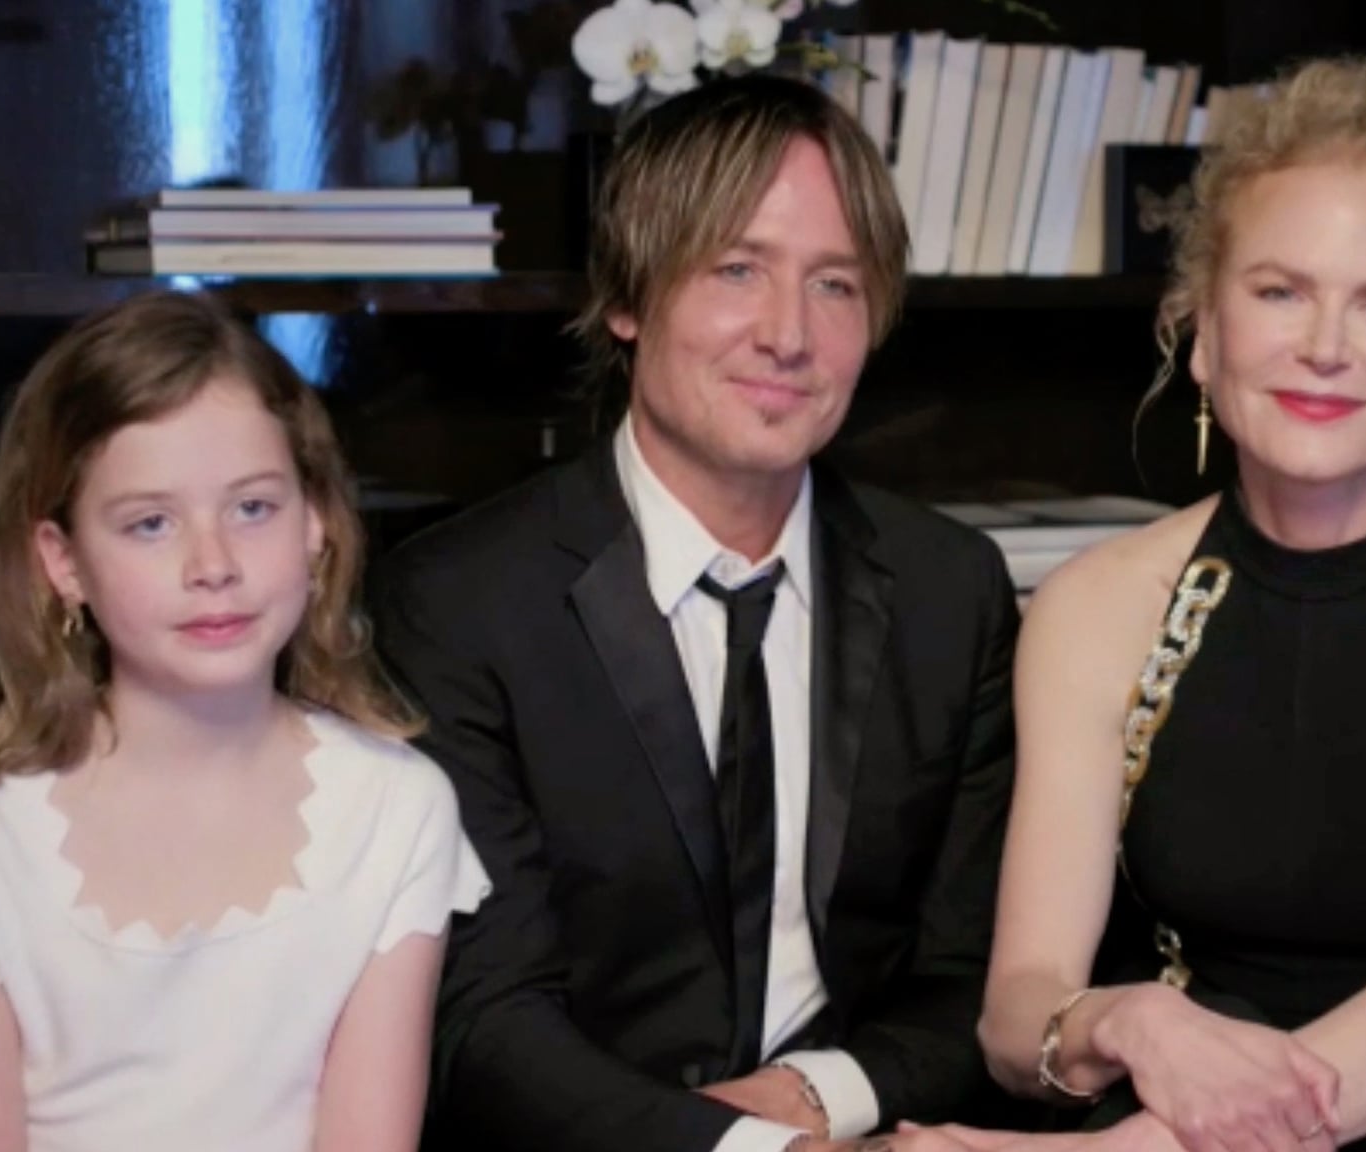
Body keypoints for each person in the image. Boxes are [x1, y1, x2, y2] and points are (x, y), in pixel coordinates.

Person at [943, 56, 1366, 1152]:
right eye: (1278, 291)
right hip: (1147, 1109)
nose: (1323, 346)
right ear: (1202, 330)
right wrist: (1130, 1019)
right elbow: (1015, 1014)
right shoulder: (1093, 605)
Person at [373, 74, 1022, 1152]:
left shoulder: (949, 588)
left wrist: (814, 1101)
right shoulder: (457, 604)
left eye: (835, 285)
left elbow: (978, 977)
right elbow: (484, 1017)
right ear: (627, 298)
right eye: (736, 270)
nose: (788, 335)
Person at [0, 291, 491, 1152]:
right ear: (62, 562)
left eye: (253, 508)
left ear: (318, 525)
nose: (213, 564)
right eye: (150, 524)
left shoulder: (397, 810)